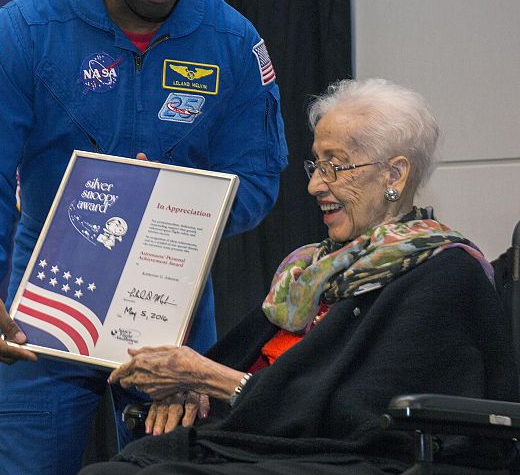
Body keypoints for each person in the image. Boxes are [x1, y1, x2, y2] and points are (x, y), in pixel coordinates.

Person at [0, 0, 288, 473]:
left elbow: (256, 179)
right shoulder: (24, 33)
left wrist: (177, 203)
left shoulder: (231, 44)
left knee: (171, 467)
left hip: (170, 314)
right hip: (47, 312)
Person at [80, 78, 519, 475]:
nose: (314, 186)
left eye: (336, 166)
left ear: (395, 174)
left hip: (347, 457)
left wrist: (211, 379)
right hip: (263, 442)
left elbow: (361, 417)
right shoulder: (309, 268)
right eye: (316, 165)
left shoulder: (444, 272)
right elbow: (248, 368)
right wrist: (197, 391)